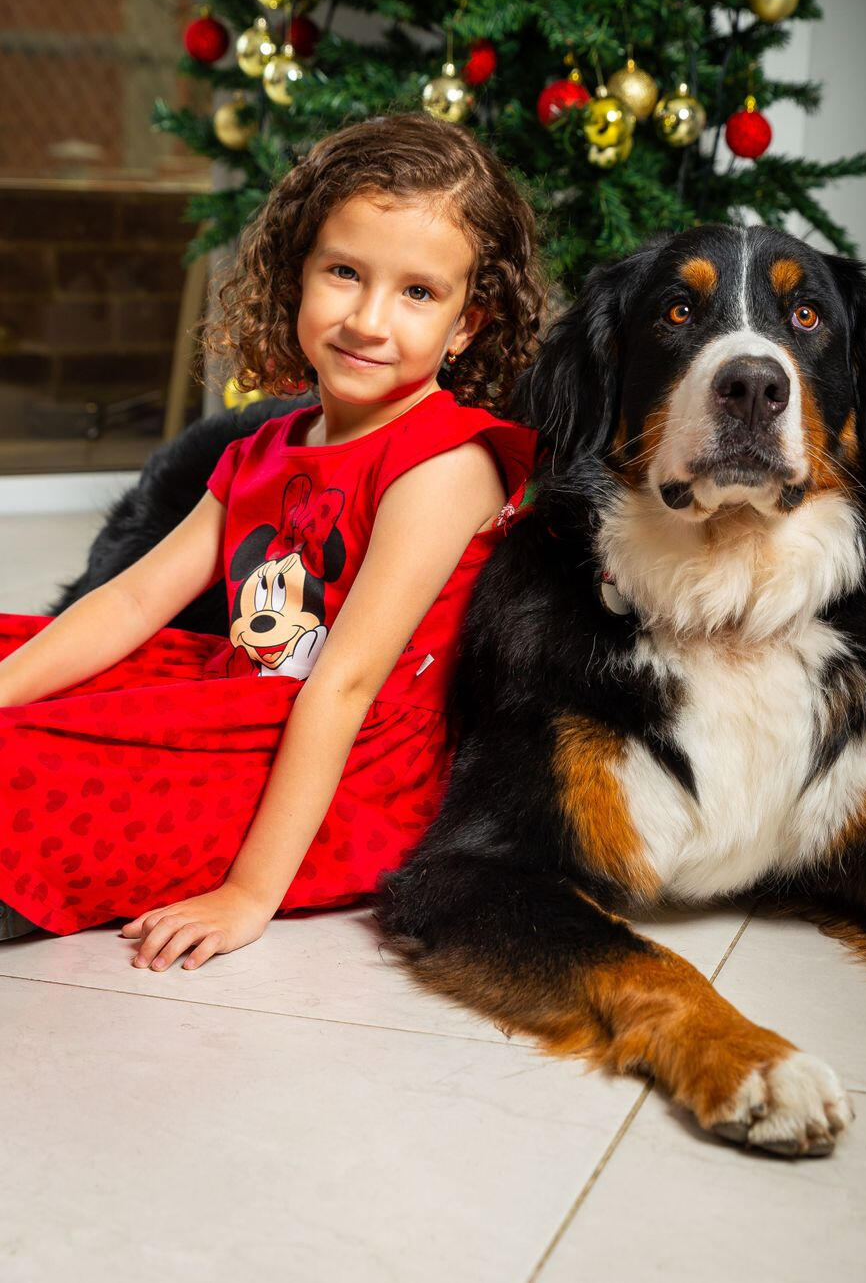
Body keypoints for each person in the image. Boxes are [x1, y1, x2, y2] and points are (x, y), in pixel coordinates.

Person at [0, 114, 543, 970]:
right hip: (239, 699)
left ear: (467, 323)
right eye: (344, 273)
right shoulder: (263, 449)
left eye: (417, 293)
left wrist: (250, 894)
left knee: (20, 770)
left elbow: (348, 682)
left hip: (351, 766)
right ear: (298, 275)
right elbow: (134, 599)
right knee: (16, 652)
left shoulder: (448, 461)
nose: (368, 319)